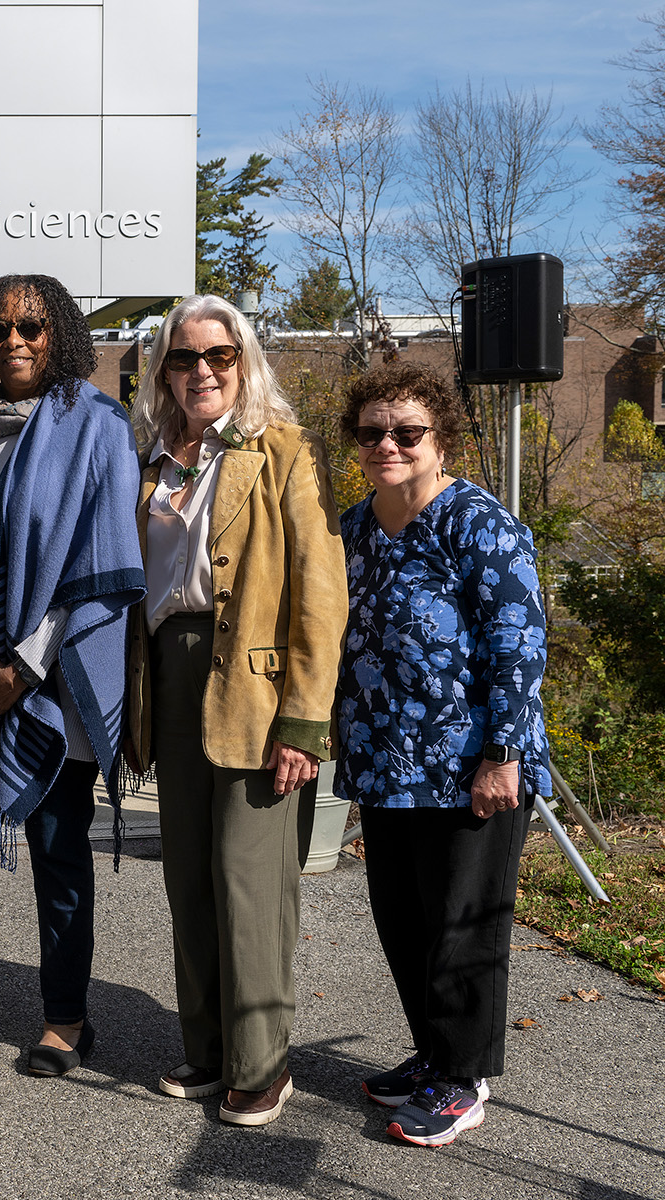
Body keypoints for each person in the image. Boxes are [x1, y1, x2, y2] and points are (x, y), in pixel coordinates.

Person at [0, 274, 144, 1078]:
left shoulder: (98, 427)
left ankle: (66, 1018)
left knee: (56, 846)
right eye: (0, 328)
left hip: (51, 679)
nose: (15, 341)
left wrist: (24, 668)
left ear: (61, 335)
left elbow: (99, 564)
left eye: (33, 327)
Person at [124, 294, 345, 1126]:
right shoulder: (148, 457)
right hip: (171, 680)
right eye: (184, 359)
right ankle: (209, 1047)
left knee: (248, 879)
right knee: (187, 874)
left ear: (243, 363)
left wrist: (304, 722)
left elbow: (321, 598)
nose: (201, 372)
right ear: (164, 371)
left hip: (256, 687)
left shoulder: (283, 451)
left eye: (219, 356)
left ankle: (263, 1064)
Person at [336, 361, 550, 1148]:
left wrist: (504, 752)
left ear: (441, 437)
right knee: (405, 920)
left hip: (472, 768)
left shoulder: (477, 522)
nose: (387, 444)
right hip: (388, 766)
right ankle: (432, 1054)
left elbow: (519, 643)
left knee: (463, 928)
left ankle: (462, 1079)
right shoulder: (356, 528)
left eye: (407, 431)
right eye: (372, 432)